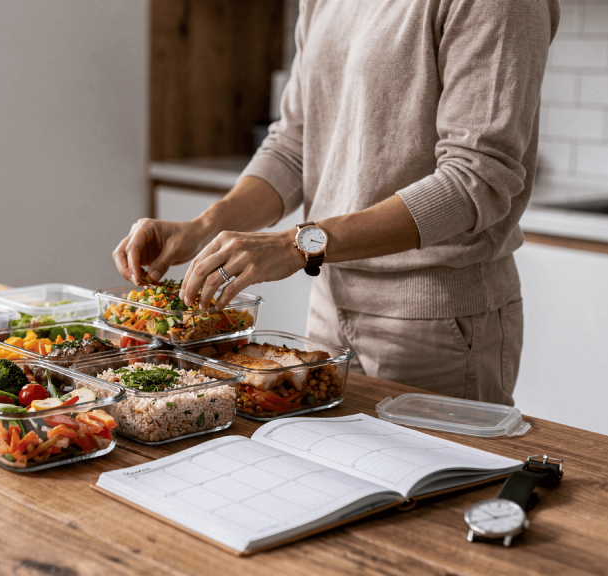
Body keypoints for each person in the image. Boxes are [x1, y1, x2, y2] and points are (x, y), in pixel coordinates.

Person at [113, 0, 560, 406]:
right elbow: (295, 146)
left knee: (438, 475)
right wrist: (201, 228)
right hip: (329, 308)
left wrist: (299, 245)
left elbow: (476, 179)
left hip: (437, 323)